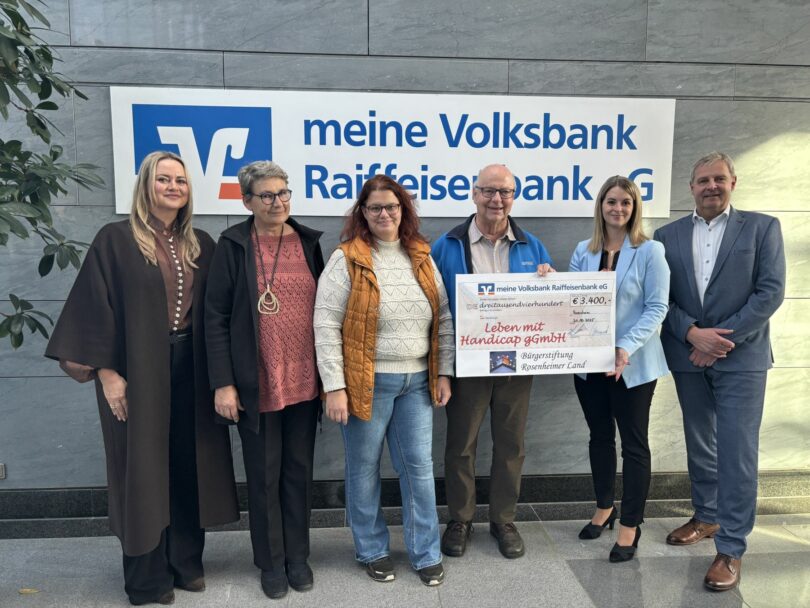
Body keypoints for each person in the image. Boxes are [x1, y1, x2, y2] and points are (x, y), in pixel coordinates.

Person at [44, 151, 239, 606]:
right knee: (142, 469)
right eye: (163, 179)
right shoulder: (115, 240)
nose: (173, 187)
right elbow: (94, 310)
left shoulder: (201, 244)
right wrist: (107, 374)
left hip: (192, 368)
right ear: (146, 185)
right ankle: (147, 577)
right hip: (136, 370)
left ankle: (186, 563)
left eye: (180, 181)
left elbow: (218, 313)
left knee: (189, 464)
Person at [313, 175, 454, 586]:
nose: (384, 214)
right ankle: (372, 549)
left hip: (418, 382)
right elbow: (325, 324)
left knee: (419, 469)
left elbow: (444, 318)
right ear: (363, 212)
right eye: (374, 207)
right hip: (366, 382)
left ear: (403, 210)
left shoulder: (421, 256)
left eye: (391, 206)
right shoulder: (346, 258)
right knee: (363, 468)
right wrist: (334, 386)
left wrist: (444, 371)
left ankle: (425, 552)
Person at [654, 152, 785, 591]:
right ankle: (706, 517)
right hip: (689, 355)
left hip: (742, 359)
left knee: (737, 451)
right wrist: (693, 334)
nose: (711, 186)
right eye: (703, 180)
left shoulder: (762, 228)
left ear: (733, 182)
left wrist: (720, 341)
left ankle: (731, 547)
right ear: (691, 187)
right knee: (700, 442)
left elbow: (770, 293)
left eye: (719, 179)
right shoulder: (667, 236)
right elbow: (662, 298)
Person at [205, 161, 324, 600]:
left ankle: (298, 557)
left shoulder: (309, 242)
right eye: (268, 195)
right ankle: (271, 562)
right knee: (264, 475)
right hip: (257, 383)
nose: (278, 202)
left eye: (284, 193)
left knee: (298, 473)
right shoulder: (234, 245)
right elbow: (215, 317)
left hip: (305, 383)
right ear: (247, 201)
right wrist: (224, 383)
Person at [431, 163, 553, 560]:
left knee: (511, 444)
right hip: (467, 365)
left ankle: (503, 519)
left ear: (514, 197)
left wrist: (550, 282)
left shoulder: (532, 246)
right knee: (461, 445)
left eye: (505, 192)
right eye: (488, 191)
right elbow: (434, 308)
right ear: (474, 193)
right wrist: (441, 368)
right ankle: (460, 519)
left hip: (516, 365)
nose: (496, 199)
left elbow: (550, 306)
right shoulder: (446, 245)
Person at [568, 176, 670, 562]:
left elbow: (657, 307)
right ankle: (604, 507)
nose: (618, 208)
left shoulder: (650, 251)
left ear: (635, 208)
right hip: (589, 363)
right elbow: (571, 302)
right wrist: (545, 281)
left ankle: (630, 525)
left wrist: (624, 347)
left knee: (634, 444)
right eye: (611, 201)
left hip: (634, 364)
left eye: (626, 202)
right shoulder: (583, 250)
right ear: (601, 206)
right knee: (599, 437)